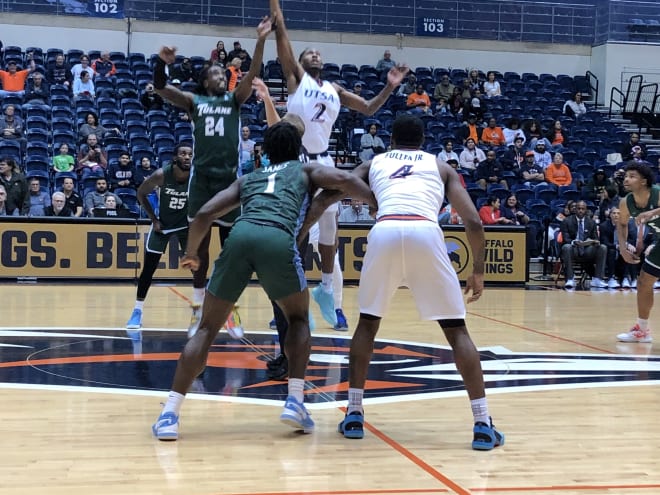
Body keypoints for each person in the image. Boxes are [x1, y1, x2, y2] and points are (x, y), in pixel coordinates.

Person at [151, 121, 377, 440]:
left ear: (265, 153)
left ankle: (169, 414)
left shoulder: (251, 177)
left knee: (206, 328)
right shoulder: (306, 170)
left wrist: (192, 253)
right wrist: (377, 204)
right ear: (298, 148)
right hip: (277, 239)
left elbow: (203, 215)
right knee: (298, 319)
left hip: (241, 236)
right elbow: (343, 179)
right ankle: (295, 400)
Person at [325, 114, 504, 450]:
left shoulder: (375, 160)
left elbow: (341, 182)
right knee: (456, 330)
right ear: (423, 141)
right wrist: (478, 269)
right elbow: (472, 222)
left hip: (386, 228)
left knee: (367, 324)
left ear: (391, 140)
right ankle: (482, 423)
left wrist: (375, 198)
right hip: (425, 230)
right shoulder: (441, 166)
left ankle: (353, 412)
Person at [270, 0, 409, 326]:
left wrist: (389, 86)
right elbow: (283, 41)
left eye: (319, 53)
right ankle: (288, 305)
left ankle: (326, 290)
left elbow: (369, 109)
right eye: (309, 53)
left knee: (330, 231)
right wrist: (276, 10)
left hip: (325, 159)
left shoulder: (334, 88)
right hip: (298, 161)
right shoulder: (297, 80)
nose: (315, 55)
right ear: (300, 61)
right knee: (297, 234)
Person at [153, 16, 272, 335]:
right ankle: (198, 307)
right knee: (200, 252)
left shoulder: (235, 99)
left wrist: (260, 40)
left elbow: (253, 72)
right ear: (207, 80)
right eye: (218, 72)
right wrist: (161, 63)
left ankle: (230, 309)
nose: (224, 75)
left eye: (225, 72)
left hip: (230, 184)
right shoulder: (195, 102)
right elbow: (161, 88)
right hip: (202, 184)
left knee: (233, 251)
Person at [126, 145, 206, 332]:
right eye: (183, 154)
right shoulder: (162, 175)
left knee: (197, 269)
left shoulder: (196, 176)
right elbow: (140, 193)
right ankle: (137, 311)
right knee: (148, 270)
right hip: (163, 225)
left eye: (190, 154)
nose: (187, 157)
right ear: (175, 157)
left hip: (186, 226)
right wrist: (153, 219)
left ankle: (202, 310)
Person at [616, 163, 660, 343]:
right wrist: (623, 247)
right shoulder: (627, 202)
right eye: (626, 176)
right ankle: (641, 330)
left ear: (643, 181)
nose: (627, 179)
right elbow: (622, 223)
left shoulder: (657, 193)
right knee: (643, 282)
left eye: (632, 176)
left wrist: (653, 212)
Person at [559, 200, 608, 289]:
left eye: (582, 209)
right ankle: (570, 278)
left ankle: (598, 279)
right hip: (574, 249)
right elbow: (566, 239)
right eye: (578, 208)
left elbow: (595, 238)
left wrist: (594, 242)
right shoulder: (567, 221)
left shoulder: (591, 222)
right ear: (575, 209)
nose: (580, 211)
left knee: (603, 247)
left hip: (587, 249)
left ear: (586, 210)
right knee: (566, 247)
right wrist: (574, 242)